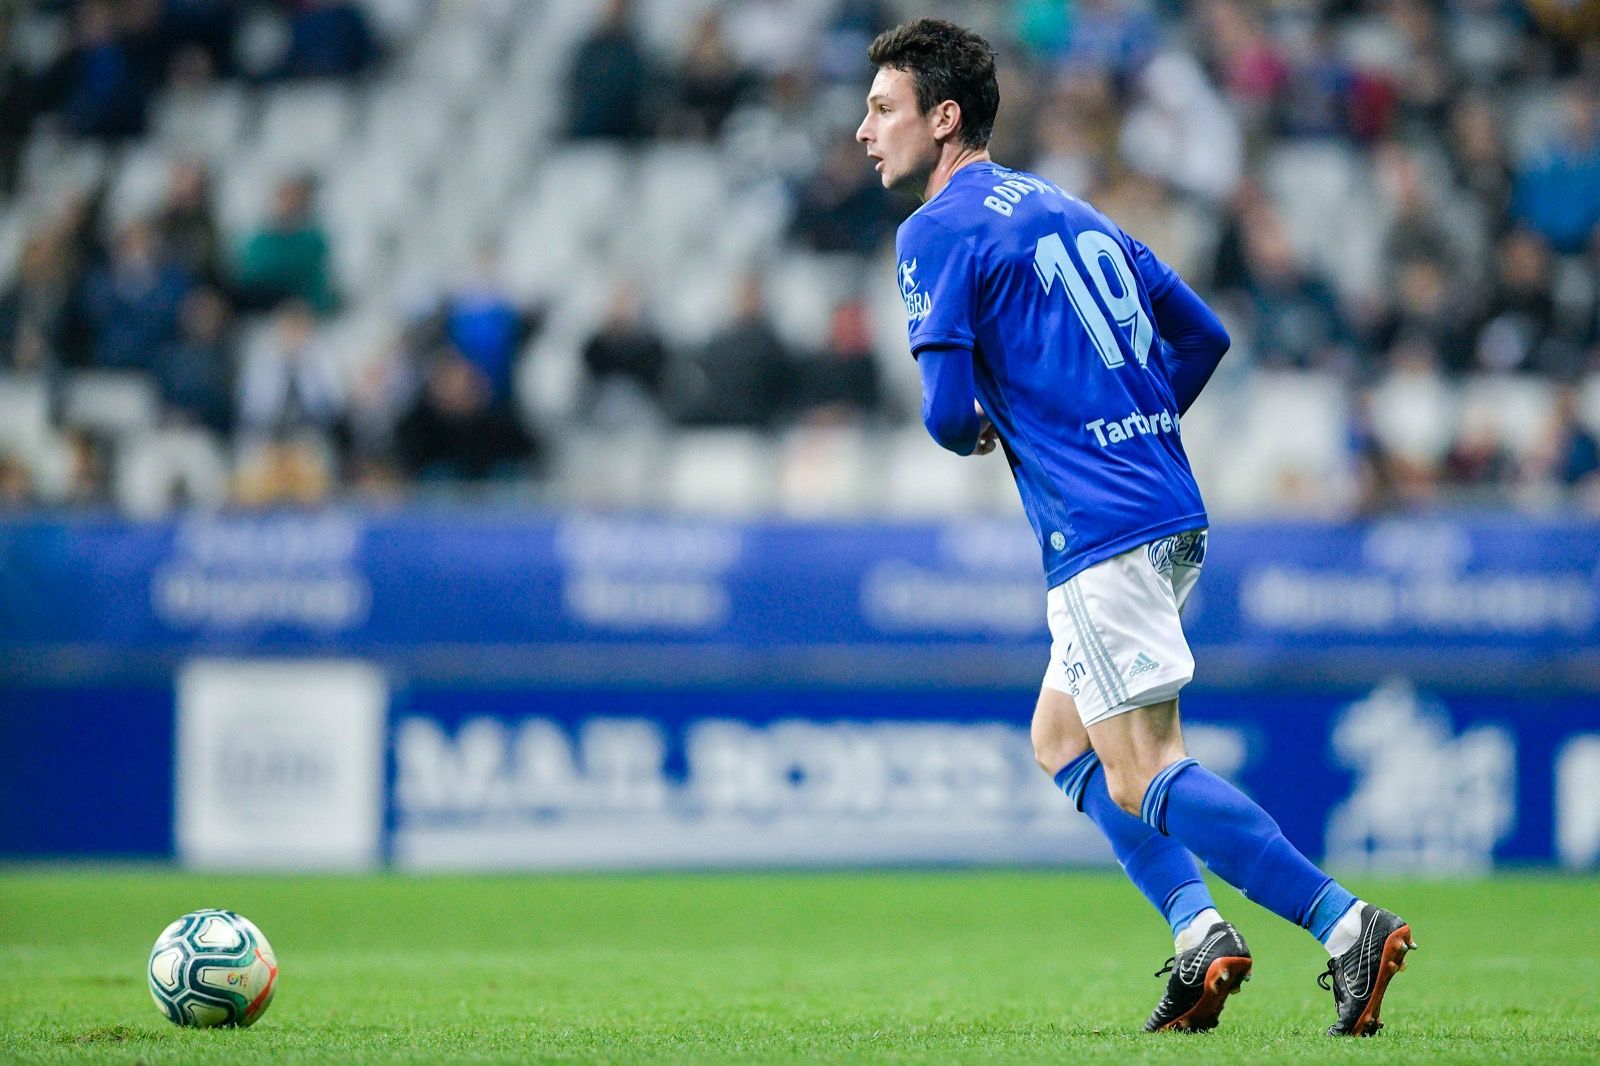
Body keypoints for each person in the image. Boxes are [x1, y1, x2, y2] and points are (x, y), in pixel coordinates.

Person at [855, 19, 1416, 1037]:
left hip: (1099, 526)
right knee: (1059, 736)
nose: (864, 131)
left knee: (1141, 766)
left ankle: (1346, 926)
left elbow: (944, 416)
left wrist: (1010, 432)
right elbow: (1203, 334)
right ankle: (1200, 933)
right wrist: (1131, 423)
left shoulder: (936, 227)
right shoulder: (1070, 208)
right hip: (1163, 504)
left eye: (882, 108)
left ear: (943, 120)